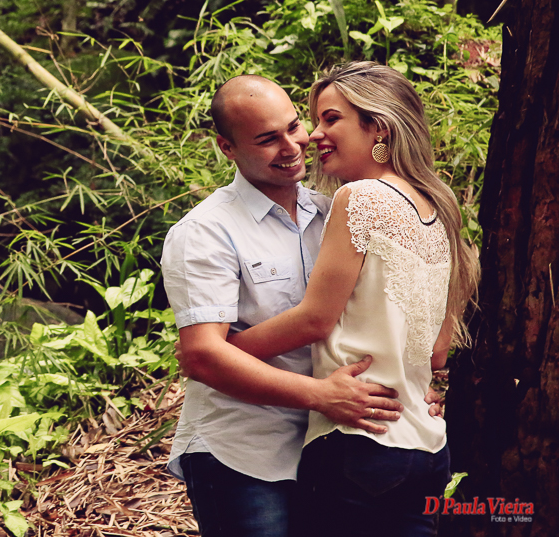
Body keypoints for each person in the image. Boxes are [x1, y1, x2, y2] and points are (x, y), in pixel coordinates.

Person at [227, 62, 480, 537]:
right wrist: (436, 387)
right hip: (426, 449)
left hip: (358, 444)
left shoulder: (360, 198)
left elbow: (314, 321)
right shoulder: (437, 205)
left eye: (331, 119)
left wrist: (224, 356)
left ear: (378, 126)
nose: (314, 136)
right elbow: (439, 349)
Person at [162, 74, 404, 537]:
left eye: (294, 127)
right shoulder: (205, 232)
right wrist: (321, 395)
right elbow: (201, 355)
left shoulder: (336, 213)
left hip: (329, 449)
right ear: (226, 147)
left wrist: (410, 386)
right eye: (267, 139)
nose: (292, 146)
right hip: (242, 453)